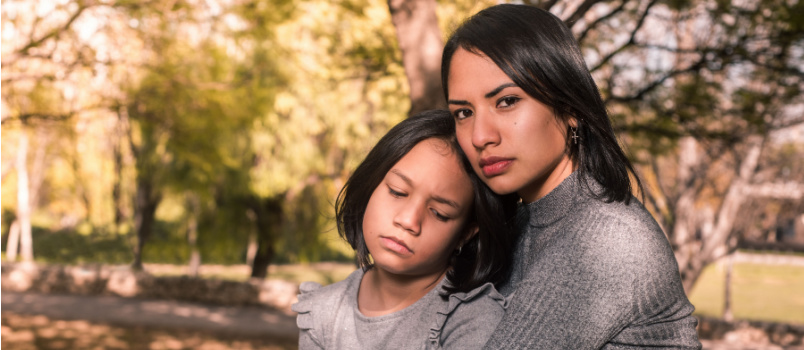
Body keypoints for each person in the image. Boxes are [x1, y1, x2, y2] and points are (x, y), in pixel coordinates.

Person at [441, 4, 702, 349]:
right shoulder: (519, 225)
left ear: (570, 109)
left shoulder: (606, 240)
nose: (480, 136)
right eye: (463, 112)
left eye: (506, 101)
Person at [291, 109, 517, 349]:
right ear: (371, 185)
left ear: (465, 233)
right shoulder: (323, 312)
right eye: (397, 192)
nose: (408, 221)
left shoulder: (471, 320)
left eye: (439, 213)